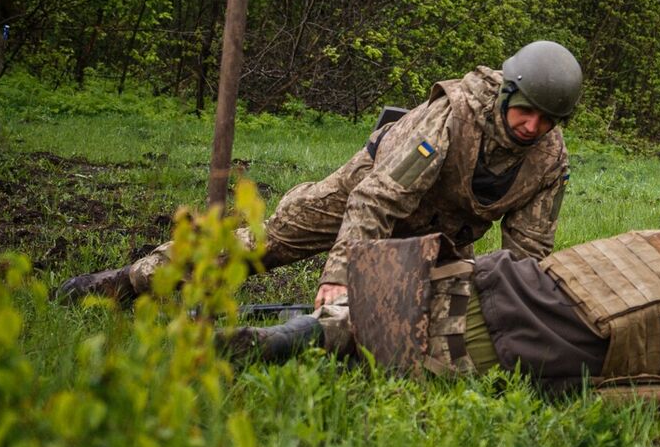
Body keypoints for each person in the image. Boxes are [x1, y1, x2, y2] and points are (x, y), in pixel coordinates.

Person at [55, 40, 583, 308]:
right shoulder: (451, 116)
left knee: (445, 301)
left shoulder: (547, 161)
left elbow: (526, 256)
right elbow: (376, 201)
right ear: (508, 95)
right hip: (360, 194)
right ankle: (128, 281)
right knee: (263, 246)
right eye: (525, 112)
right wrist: (337, 276)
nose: (532, 127)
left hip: (440, 236)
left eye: (546, 119)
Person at [221, 204, 660, 405]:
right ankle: (297, 335)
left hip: (472, 277)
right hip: (490, 342)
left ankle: (281, 326)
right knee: (393, 349)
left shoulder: (658, 247)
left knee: (366, 322)